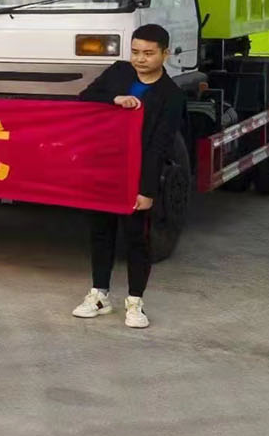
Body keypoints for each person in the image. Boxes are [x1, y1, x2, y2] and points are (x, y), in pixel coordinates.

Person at [72, 23, 186, 328]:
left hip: (137, 175)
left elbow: (159, 147)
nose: (140, 59)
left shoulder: (171, 96)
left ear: (165, 54)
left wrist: (146, 191)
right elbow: (85, 98)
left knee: (136, 238)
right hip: (104, 167)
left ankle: (135, 302)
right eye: (135, 52)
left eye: (148, 53)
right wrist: (115, 99)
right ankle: (99, 295)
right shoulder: (118, 73)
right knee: (100, 232)